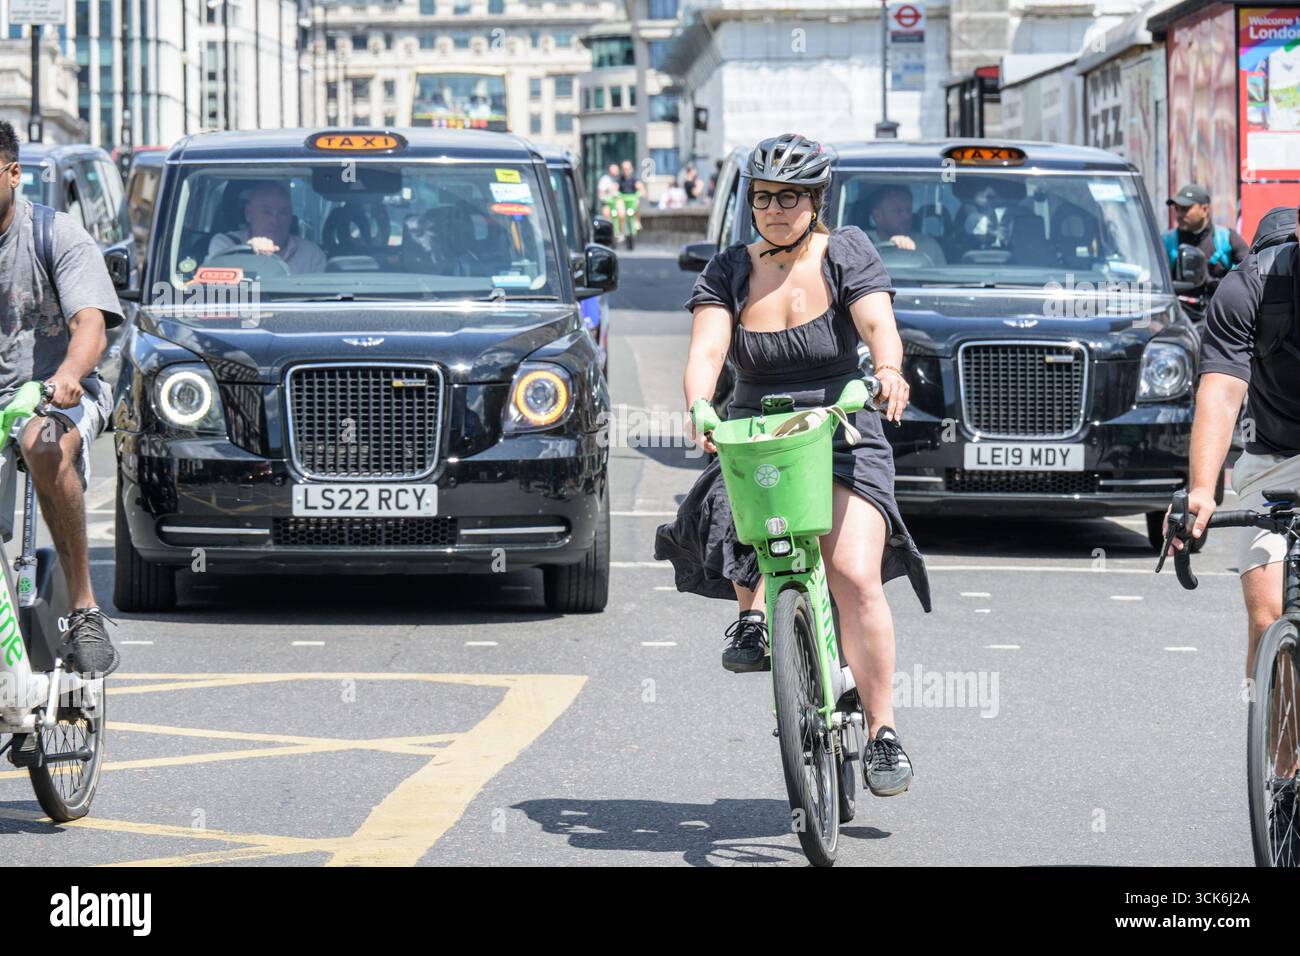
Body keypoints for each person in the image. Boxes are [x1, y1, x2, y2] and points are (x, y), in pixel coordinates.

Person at [653, 132, 932, 797]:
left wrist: (888, 370)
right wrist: (698, 405)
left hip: (839, 422)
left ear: (815, 201)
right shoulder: (728, 269)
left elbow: (876, 325)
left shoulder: (846, 253)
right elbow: (707, 349)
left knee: (853, 572)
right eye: (763, 197)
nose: (774, 210)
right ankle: (756, 618)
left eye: (789, 198)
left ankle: (883, 732)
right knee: (743, 516)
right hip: (755, 426)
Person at [1163, 202, 1300, 848]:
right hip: (1273, 456)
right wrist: (1199, 491)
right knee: (1266, 606)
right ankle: (1285, 773)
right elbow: (1219, 391)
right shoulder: (1250, 286)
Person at [0, 120, 121, 676]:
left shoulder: (56, 234)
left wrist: (70, 374)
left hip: (56, 391)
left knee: (43, 444)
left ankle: (83, 607)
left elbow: (90, 323)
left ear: (13, 174)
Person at [207, 181, 327, 274]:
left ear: (291, 217)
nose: (274, 221)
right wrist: (251, 255)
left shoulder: (312, 254)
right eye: (267, 212)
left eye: (282, 213)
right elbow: (217, 291)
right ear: (249, 214)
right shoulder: (225, 244)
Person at [1164, 183, 1247, 292]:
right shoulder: (1165, 242)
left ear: (1204, 210)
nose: (1179, 214)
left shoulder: (1227, 239)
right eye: (1176, 209)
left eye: (1185, 209)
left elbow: (1250, 274)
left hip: (1218, 306)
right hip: (1178, 306)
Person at [866, 184, 946, 265]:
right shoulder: (862, 244)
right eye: (898, 211)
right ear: (877, 215)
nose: (907, 216)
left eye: (909, 210)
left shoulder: (930, 246)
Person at [616, 160, 645, 248]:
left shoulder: (634, 180)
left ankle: (636, 221)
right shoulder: (619, 180)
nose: (626, 171)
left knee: (637, 203)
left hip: (632, 200)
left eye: (628, 169)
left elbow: (641, 189)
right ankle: (621, 232)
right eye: (624, 169)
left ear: (631, 169)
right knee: (620, 213)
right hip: (623, 200)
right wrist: (615, 194)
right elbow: (615, 188)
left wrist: (641, 193)